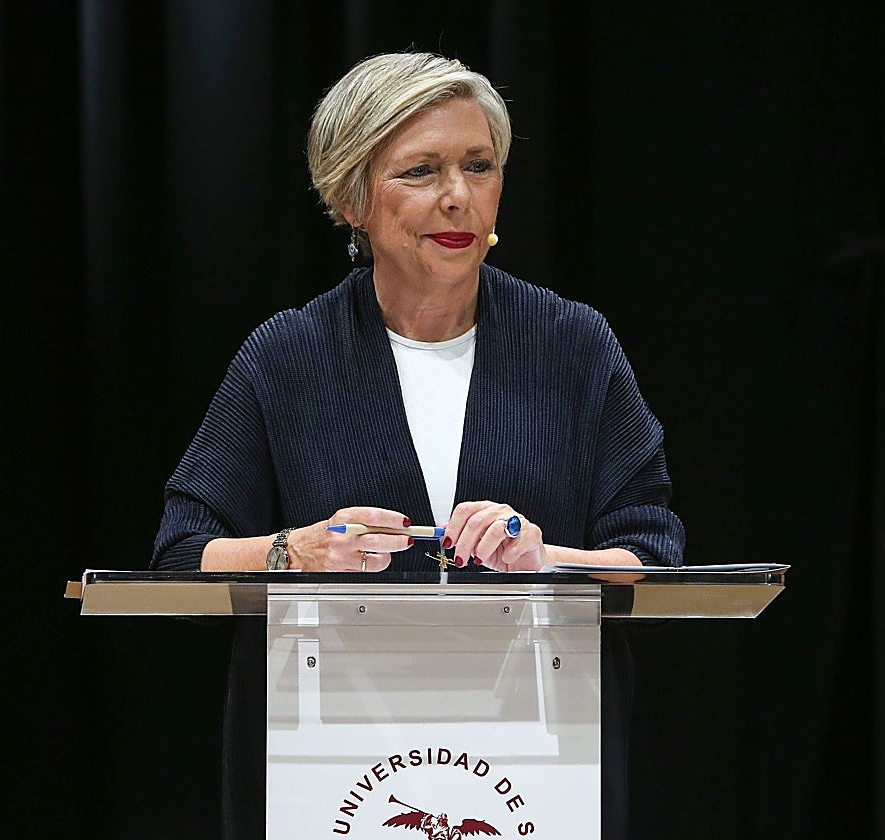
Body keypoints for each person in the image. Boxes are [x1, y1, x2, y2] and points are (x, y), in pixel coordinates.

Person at [151, 50, 685, 840]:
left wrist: (545, 561)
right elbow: (179, 563)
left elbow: (655, 560)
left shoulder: (574, 346)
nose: (457, 196)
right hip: (333, 776)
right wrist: (294, 552)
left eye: (479, 165)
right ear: (351, 197)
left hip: (534, 765)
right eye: (420, 171)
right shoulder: (287, 356)